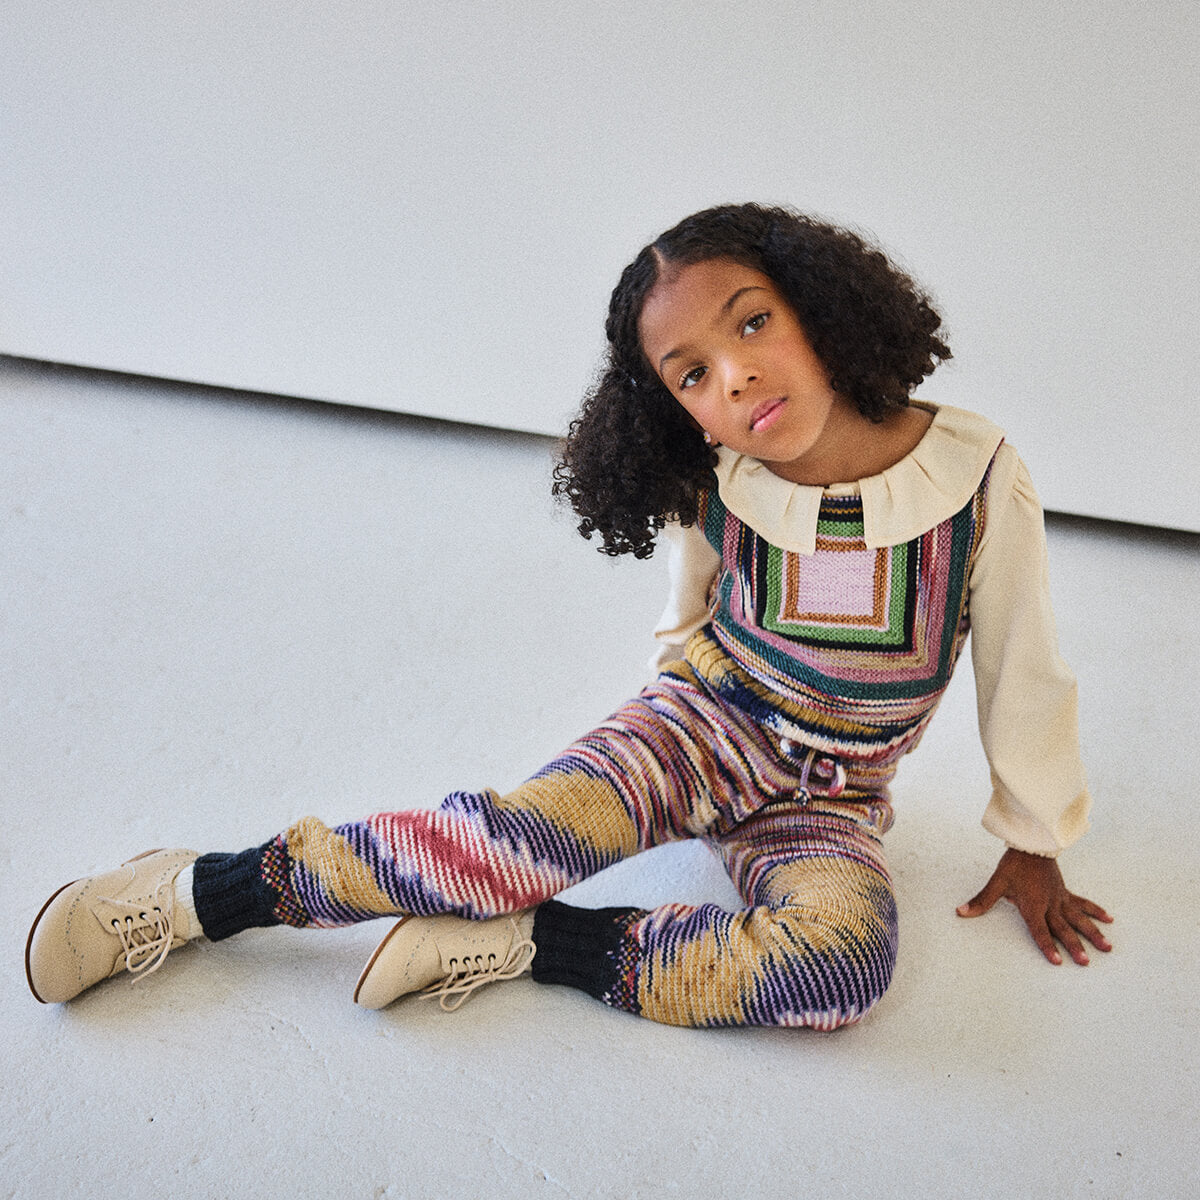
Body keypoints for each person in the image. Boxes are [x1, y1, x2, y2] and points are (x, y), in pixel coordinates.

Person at [25, 203, 1113, 1028]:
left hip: (832, 797)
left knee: (842, 972)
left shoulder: (974, 477)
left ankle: (533, 945)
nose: (736, 377)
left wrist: (1033, 838)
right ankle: (196, 892)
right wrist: (660, 734)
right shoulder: (721, 475)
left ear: (817, 304)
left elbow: (1023, 661)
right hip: (703, 730)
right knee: (502, 845)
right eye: (693, 374)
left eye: (754, 323)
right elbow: (693, 601)